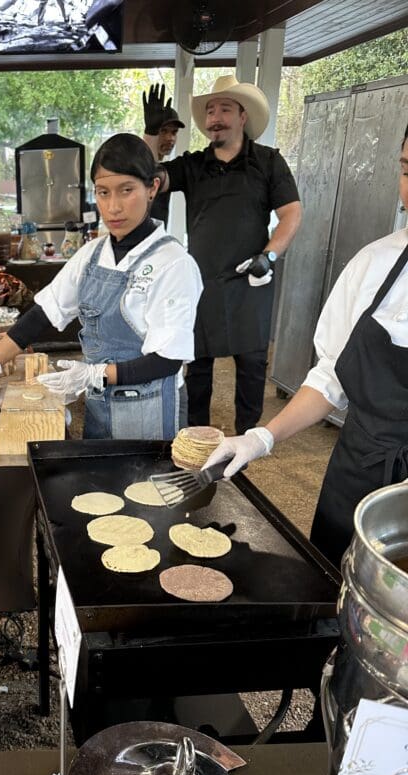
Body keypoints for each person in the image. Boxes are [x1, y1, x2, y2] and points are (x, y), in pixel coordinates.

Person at [201, 123, 408, 568]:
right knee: (334, 590)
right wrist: (261, 437)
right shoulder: (375, 263)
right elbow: (332, 376)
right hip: (358, 472)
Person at [0, 133, 203, 440]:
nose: (114, 207)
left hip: (150, 411)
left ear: (153, 188)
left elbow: (169, 360)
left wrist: (94, 374)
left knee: (144, 486)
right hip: (101, 405)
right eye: (103, 193)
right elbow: (44, 313)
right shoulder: (92, 254)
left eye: (126, 190)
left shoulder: (173, 263)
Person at [145, 74, 303, 435]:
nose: (215, 118)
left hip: (251, 279)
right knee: (197, 367)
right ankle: (195, 440)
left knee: (251, 366)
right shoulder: (194, 164)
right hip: (200, 282)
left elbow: (292, 213)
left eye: (225, 109)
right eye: (210, 111)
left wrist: (270, 256)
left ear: (243, 116)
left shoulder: (268, 161)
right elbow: (149, 177)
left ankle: (247, 439)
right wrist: (152, 136)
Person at [141, 83, 184, 226]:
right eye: (163, 131)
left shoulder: (167, 171)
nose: (170, 138)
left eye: (174, 132)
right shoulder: (137, 163)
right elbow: (147, 171)